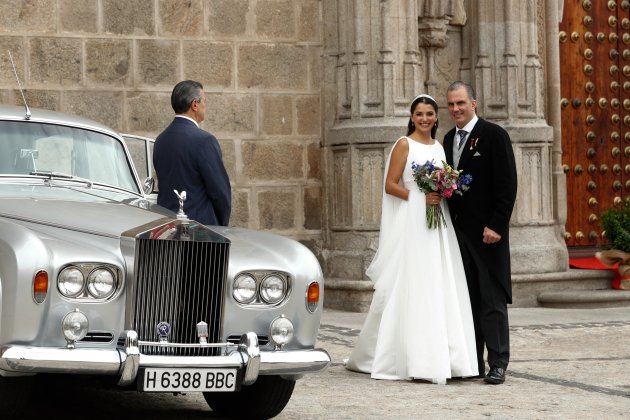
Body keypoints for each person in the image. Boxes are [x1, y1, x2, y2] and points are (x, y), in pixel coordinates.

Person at [344, 94, 478, 384]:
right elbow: (391, 185)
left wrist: (441, 191)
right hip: (414, 223)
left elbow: (446, 185)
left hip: (436, 223)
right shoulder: (404, 145)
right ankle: (410, 357)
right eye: (419, 114)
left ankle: (446, 357)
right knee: (415, 281)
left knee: (438, 281)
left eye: (430, 113)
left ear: (435, 116)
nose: (425, 118)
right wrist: (419, 195)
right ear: (412, 116)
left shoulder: (440, 147)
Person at [443, 81, 518, 385]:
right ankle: (473, 361)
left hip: (488, 235)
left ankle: (498, 361)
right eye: (451, 105)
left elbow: (507, 184)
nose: (456, 109)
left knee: (491, 300)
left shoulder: (494, 135)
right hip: (458, 234)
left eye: (461, 103)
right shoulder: (448, 139)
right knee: (467, 299)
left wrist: (497, 225)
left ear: (473, 103)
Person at [153, 80, 231, 226]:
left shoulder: (160, 140)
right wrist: (221, 226)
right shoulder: (205, 141)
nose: (205, 107)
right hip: (199, 232)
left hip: (167, 231)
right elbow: (220, 193)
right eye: (204, 102)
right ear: (195, 105)